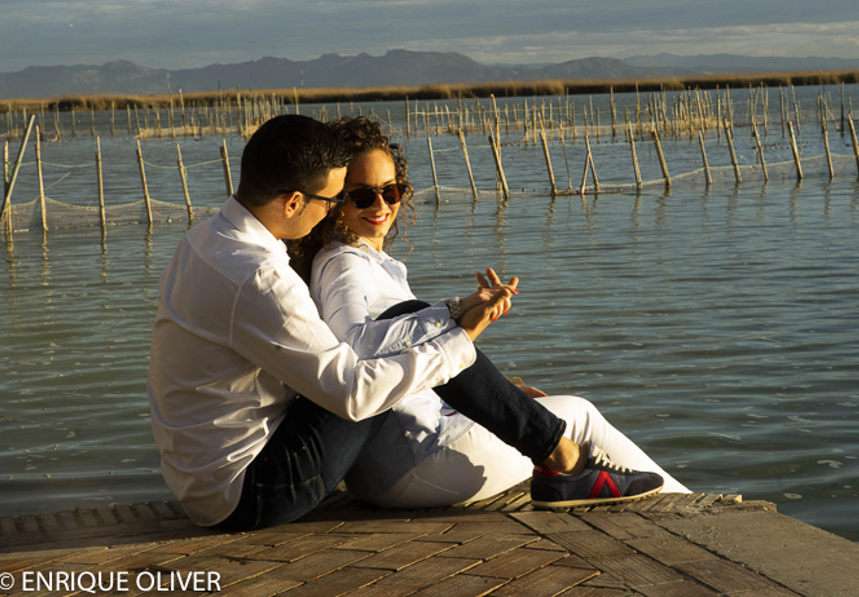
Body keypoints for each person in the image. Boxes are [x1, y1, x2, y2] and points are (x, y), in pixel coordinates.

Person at [147, 114, 663, 531]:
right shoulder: (259, 276)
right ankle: (569, 460)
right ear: (294, 201)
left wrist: (449, 331)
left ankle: (559, 455)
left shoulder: (205, 241)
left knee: (413, 326)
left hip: (207, 482)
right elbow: (352, 394)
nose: (329, 216)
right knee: (408, 328)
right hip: (253, 492)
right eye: (333, 200)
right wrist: (456, 344)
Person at [288, 115, 690, 509]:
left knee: (548, 407)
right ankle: (686, 508)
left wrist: (497, 393)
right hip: (416, 462)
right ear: (336, 199)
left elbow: (400, 356)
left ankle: (599, 484)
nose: (380, 205)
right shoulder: (346, 265)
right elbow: (354, 346)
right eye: (361, 195)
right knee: (580, 415)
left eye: (390, 191)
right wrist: (453, 315)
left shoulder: (359, 260)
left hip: (392, 464)